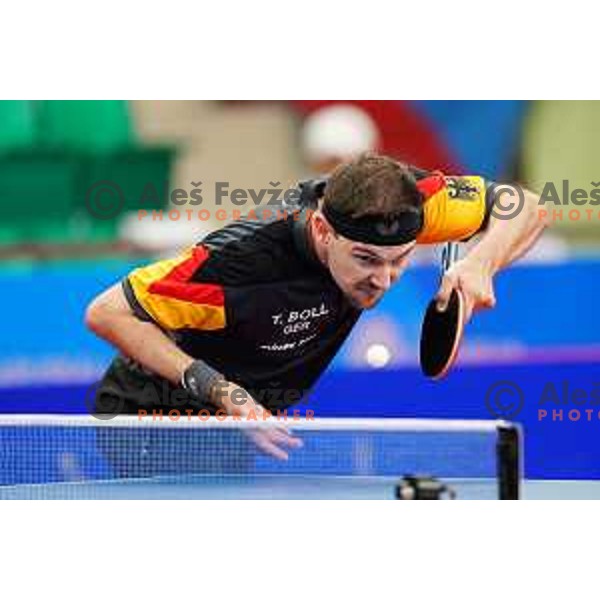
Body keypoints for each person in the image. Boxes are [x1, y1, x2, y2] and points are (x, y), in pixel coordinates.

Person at [86, 153, 547, 460]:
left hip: (250, 425)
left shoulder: (414, 203)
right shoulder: (238, 263)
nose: (383, 279)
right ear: (325, 232)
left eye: (401, 259)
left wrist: (482, 262)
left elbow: (528, 206)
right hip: (153, 424)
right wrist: (222, 393)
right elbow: (106, 312)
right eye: (366, 260)